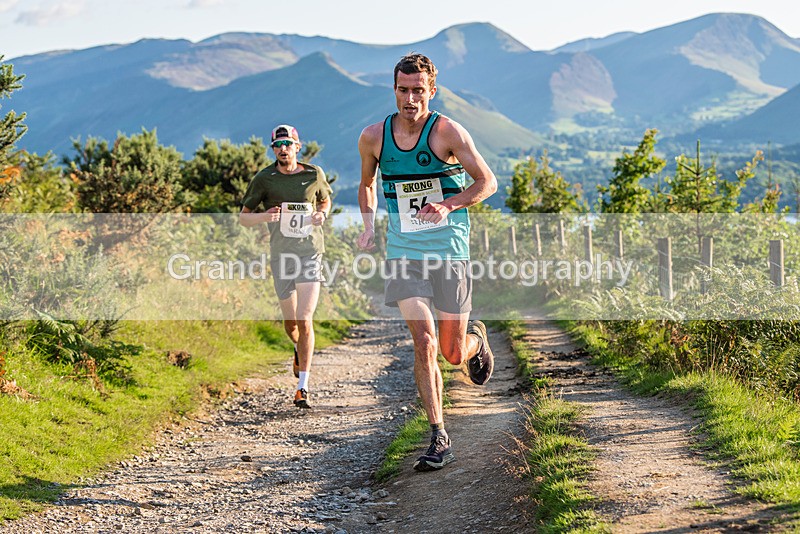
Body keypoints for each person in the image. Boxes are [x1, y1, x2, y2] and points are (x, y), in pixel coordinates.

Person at [357, 53, 498, 471]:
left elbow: (487, 182)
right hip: (404, 253)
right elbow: (365, 184)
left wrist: (448, 205)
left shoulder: (447, 132)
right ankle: (439, 434)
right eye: (403, 90)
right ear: (394, 90)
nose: (410, 99)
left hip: (450, 250)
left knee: (453, 353)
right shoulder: (373, 137)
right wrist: (368, 224)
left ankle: (476, 339)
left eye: (419, 91)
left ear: (431, 92)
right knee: (424, 342)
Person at [240, 124, 332, 409]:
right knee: (291, 324)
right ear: (273, 149)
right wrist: (265, 217)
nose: (283, 149)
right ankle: (297, 348)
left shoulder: (313, 174)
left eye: (287, 144)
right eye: (277, 145)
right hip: (281, 255)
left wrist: (321, 215)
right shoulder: (264, 179)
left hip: (309, 253)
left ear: (297, 146)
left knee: (305, 319)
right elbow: (244, 218)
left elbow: (325, 200)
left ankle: (303, 386)